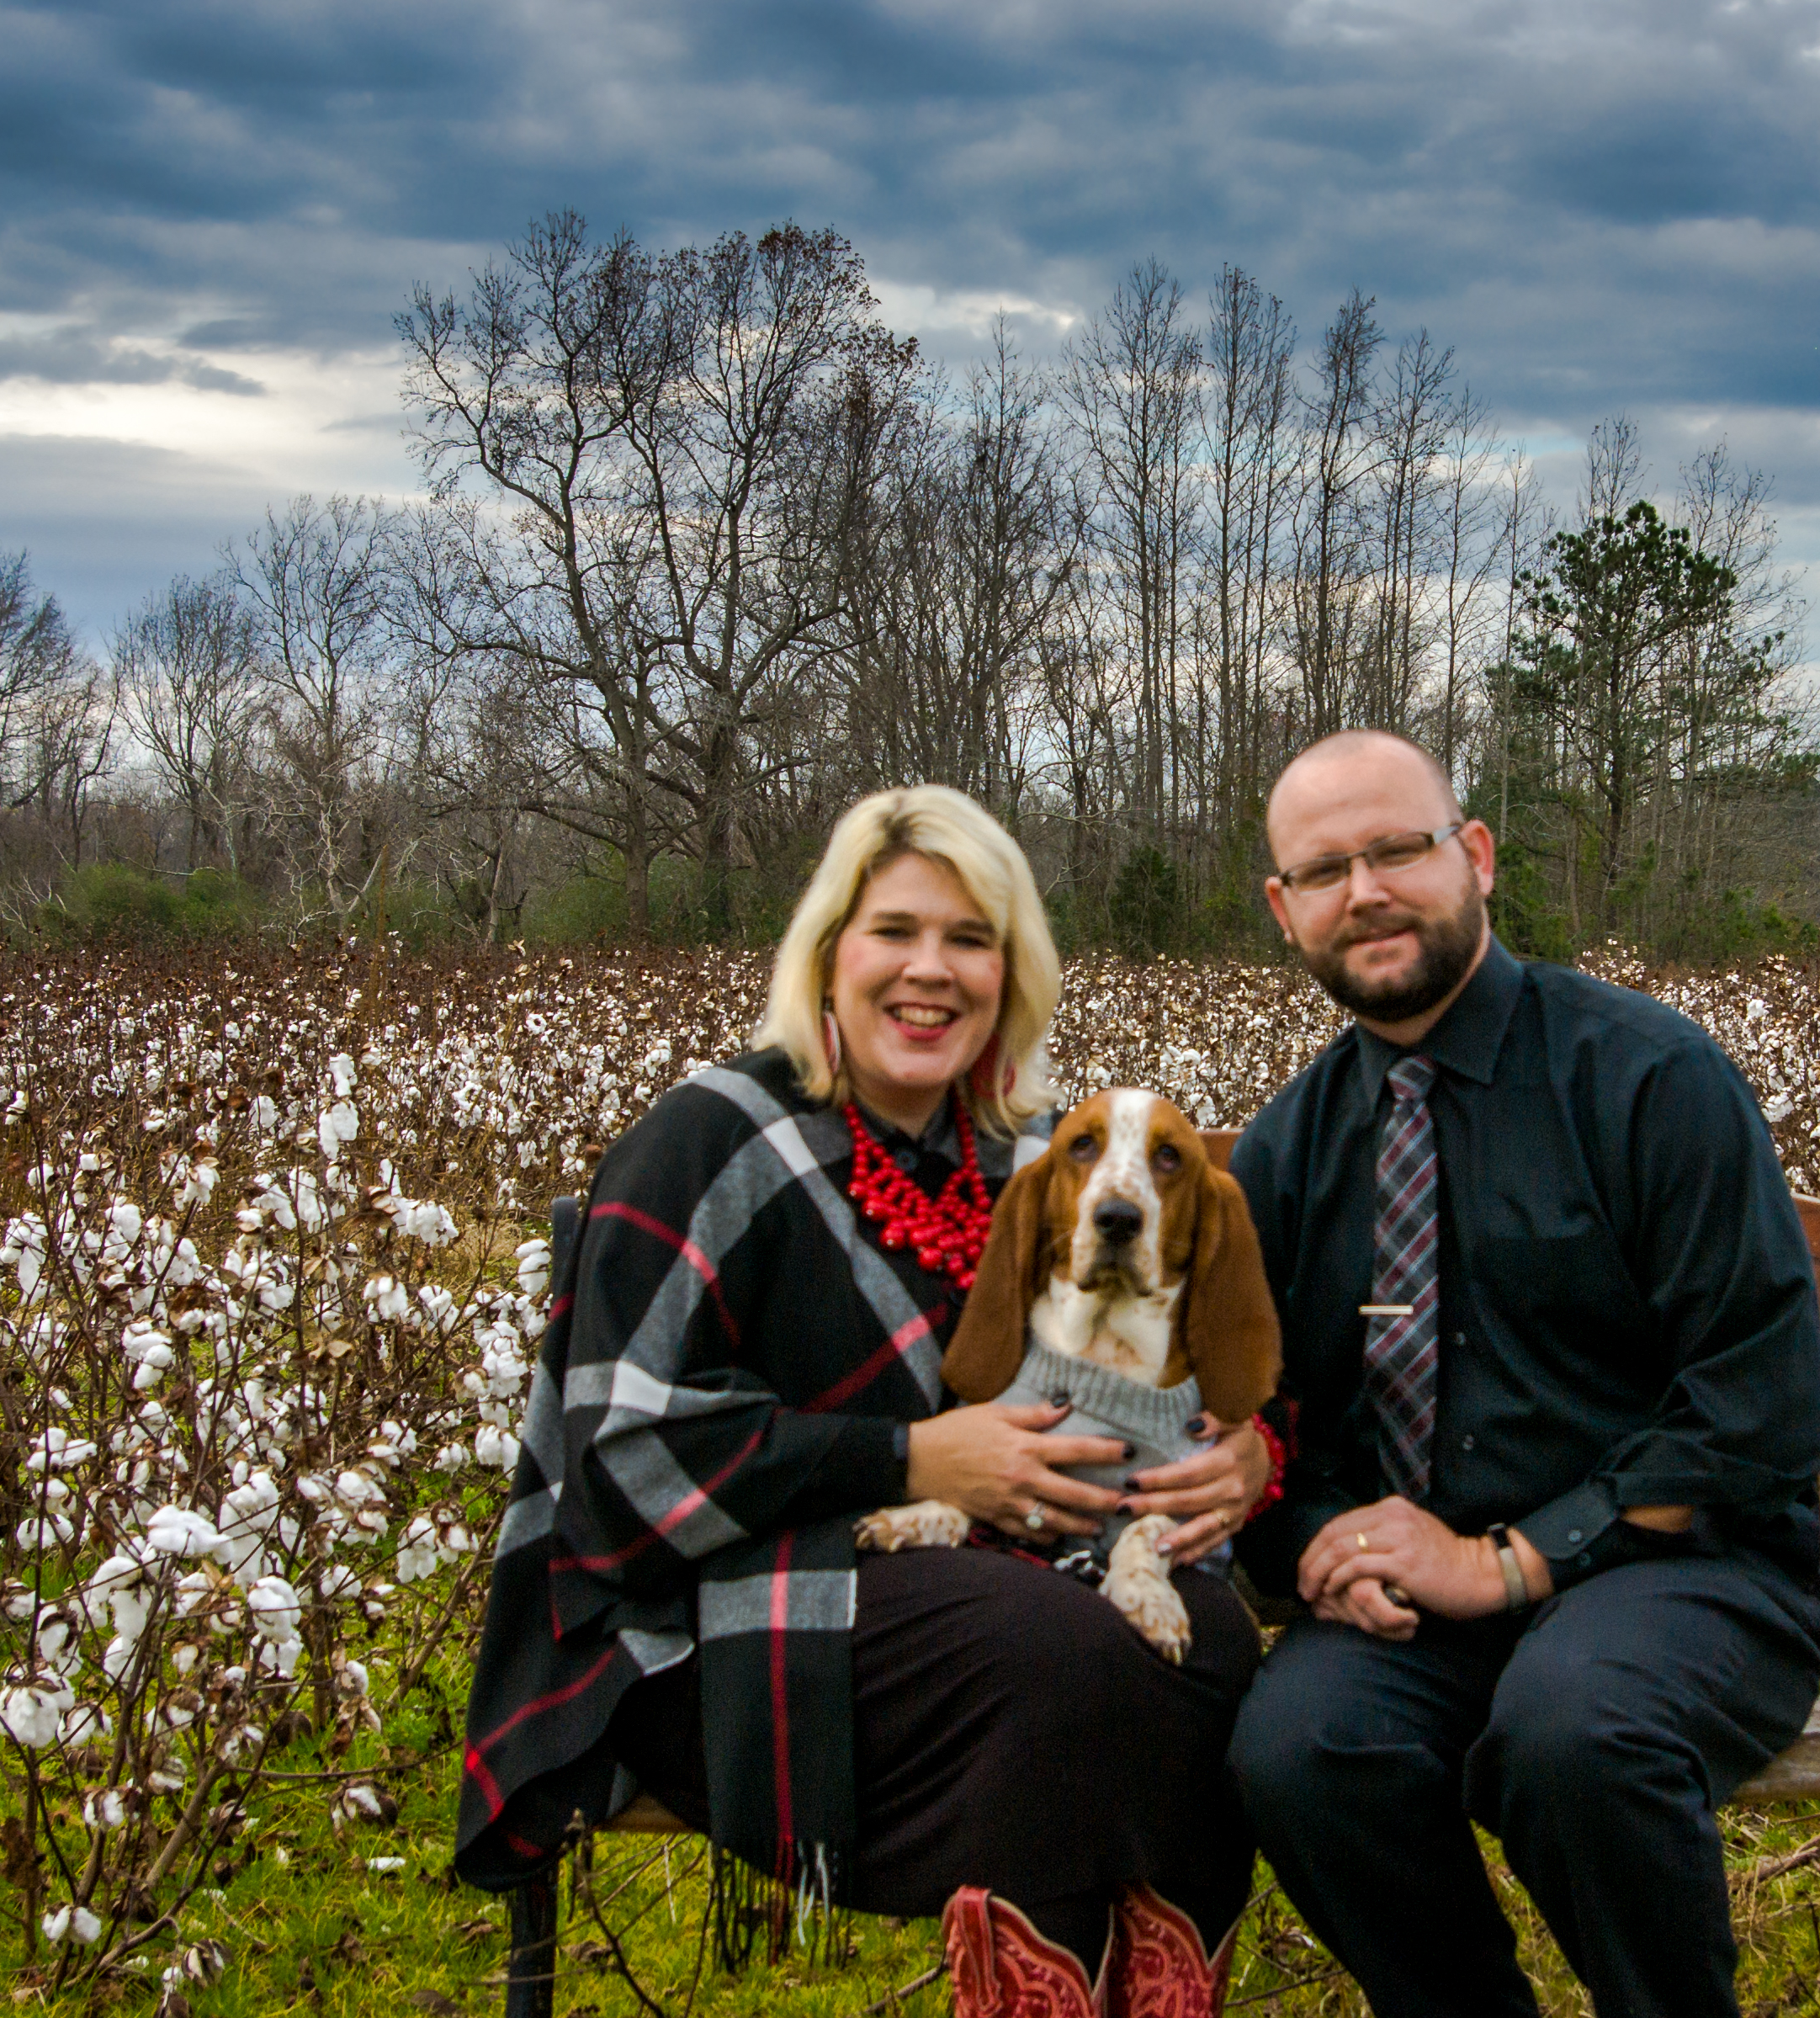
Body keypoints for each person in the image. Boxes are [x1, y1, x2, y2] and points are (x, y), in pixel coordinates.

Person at [454, 785, 1274, 2018]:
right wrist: (905, 1458)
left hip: (981, 1574)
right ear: (829, 949)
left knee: (1205, 1641)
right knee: (1053, 1654)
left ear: (1013, 969)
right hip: (703, 1618)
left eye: (970, 938)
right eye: (895, 930)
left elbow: (1157, 1366)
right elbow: (623, 1456)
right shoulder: (715, 1138)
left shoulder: (1027, 1150)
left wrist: (1242, 1453)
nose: (930, 971)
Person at [1224, 730, 1820, 2018]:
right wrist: (1327, 1532)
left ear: (1477, 857)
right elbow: (1264, 1429)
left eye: (1398, 849)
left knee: (1577, 1732)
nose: (1368, 890)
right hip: (1420, 1623)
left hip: (1688, 1577)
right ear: (1286, 910)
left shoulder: (1651, 1078)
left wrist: (1508, 1559)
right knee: (1295, 1747)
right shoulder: (1288, 1151)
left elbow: (1753, 1412)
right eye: (1325, 869)